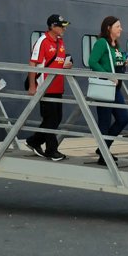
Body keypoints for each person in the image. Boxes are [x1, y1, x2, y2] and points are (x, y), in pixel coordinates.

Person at [26, 14, 73, 161]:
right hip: (45, 87)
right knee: (50, 119)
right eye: (62, 26)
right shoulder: (43, 41)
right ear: (52, 26)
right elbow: (33, 64)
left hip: (58, 87)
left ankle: (34, 141)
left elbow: (58, 62)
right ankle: (52, 151)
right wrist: (32, 86)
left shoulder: (60, 42)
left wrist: (67, 65)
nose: (64, 29)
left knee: (56, 118)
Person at [88, 15, 128, 166]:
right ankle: (104, 155)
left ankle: (103, 149)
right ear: (108, 28)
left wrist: (124, 62)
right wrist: (108, 76)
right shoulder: (101, 43)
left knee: (123, 118)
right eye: (118, 26)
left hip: (115, 88)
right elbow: (92, 61)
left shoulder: (115, 45)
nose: (121, 29)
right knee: (104, 122)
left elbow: (114, 63)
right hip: (105, 87)